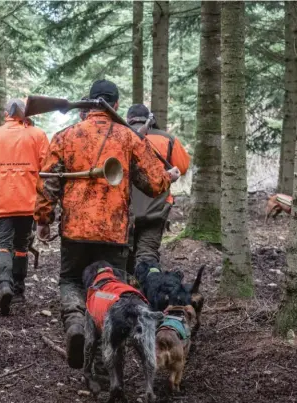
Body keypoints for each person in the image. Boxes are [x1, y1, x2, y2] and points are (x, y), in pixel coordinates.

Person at [34, 79, 180, 369]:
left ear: (89, 103)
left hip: (75, 230)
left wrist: (43, 219)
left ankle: (75, 322)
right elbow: (153, 184)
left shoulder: (65, 135)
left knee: (72, 281)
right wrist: (169, 177)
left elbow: (48, 182)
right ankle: (104, 361)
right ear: (115, 106)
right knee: (112, 289)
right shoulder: (128, 138)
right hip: (114, 233)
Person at [0, 98, 49, 316]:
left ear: (6, 113)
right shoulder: (38, 135)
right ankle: (18, 292)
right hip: (28, 203)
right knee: (21, 247)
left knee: (2, 245)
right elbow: (48, 171)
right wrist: (43, 203)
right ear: (26, 114)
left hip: (2, 203)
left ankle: (3, 285)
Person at [125, 104, 190, 272]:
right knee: (148, 254)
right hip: (156, 207)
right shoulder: (168, 139)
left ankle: (125, 289)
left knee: (124, 252)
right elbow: (182, 167)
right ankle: (150, 286)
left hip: (126, 207)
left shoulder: (120, 137)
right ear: (149, 119)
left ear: (128, 119)